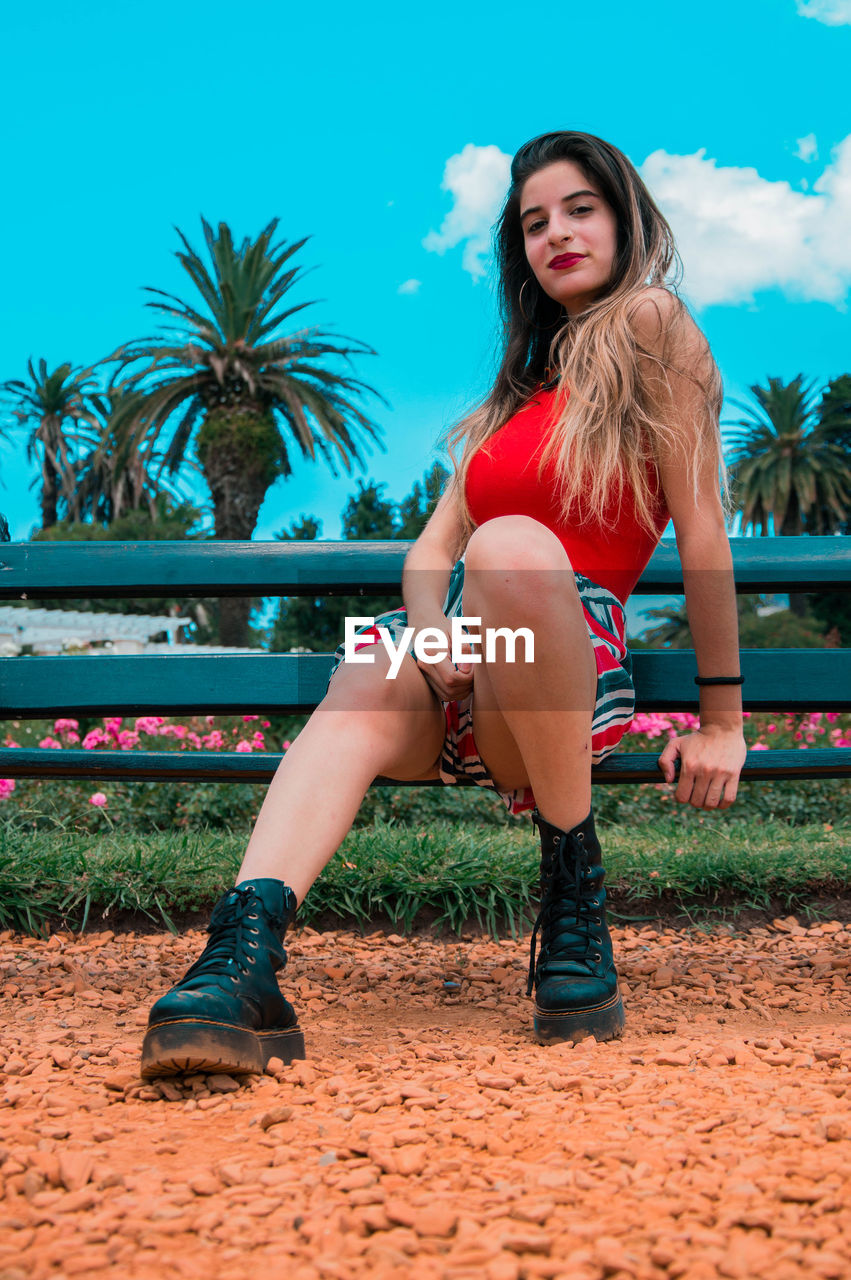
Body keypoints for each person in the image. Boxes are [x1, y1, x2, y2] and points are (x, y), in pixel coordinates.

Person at [140, 130, 747, 1078]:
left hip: (554, 683)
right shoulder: (513, 400)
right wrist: (427, 634)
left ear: (626, 218)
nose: (555, 235)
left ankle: (573, 890)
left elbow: (703, 530)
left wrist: (723, 720)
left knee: (506, 544)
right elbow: (428, 556)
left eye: (579, 209)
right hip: (458, 670)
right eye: (533, 223)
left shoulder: (654, 326)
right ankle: (240, 956)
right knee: (369, 662)